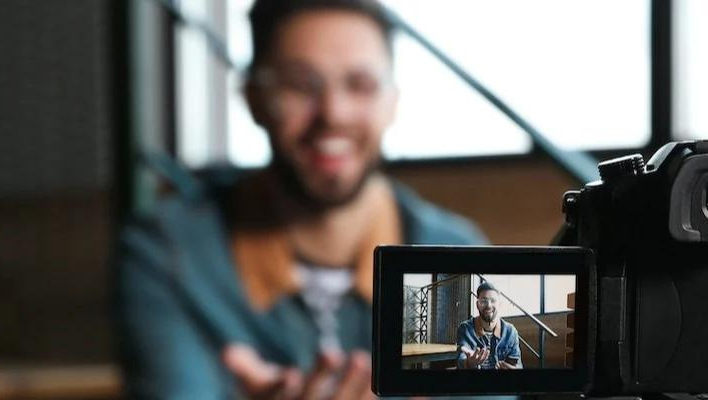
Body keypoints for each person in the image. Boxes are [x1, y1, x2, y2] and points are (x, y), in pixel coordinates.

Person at [114, 0, 485, 398]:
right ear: (253, 98)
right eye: (299, 84)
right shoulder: (167, 253)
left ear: (392, 101)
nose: (333, 113)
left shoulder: (456, 259)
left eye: (360, 84)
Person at [456, 283, 522, 370]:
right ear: (477, 305)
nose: (489, 305)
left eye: (493, 300)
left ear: (499, 304)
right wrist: (468, 363)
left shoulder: (510, 331)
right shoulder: (465, 328)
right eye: (483, 301)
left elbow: (518, 365)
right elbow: (461, 360)